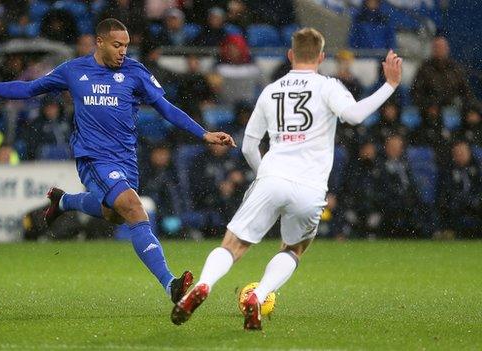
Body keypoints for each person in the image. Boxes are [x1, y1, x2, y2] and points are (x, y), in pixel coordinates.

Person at [0, 18, 235, 304]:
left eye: (126, 46)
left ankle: (65, 202)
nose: (123, 51)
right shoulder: (74, 71)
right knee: (134, 209)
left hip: (126, 159)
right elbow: (28, 89)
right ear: (100, 42)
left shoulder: (135, 72)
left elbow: (166, 108)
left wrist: (203, 133)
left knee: (114, 214)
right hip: (93, 158)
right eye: (117, 45)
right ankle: (170, 284)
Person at [171, 27, 402, 330]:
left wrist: (263, 174)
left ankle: (204, 284)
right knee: (293, 249)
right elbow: (356, 116)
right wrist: (390, 85)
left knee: (233, 245)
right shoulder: (328, 86)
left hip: (272, 176)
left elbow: (250, 145)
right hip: (310, 187)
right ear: (321, 57)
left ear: (291, 55)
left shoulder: (271, 90)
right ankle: (260, 295)